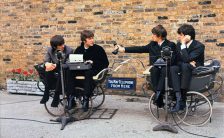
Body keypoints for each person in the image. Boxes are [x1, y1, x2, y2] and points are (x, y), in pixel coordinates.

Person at [115, 25, 177, 108]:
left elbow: (173, 59)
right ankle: (158, 94)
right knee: (154, 71)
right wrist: (124, 49)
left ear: (159, 36)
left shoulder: (171, 44)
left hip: (166, 68)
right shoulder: (152, 44)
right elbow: (140, 49)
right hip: (155, 68)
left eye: (153, 34)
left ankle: (158, 94)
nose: (152, 36)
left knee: (163, 71)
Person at [66, 30, 109, 111]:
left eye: (92, 38)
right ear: (84, 40)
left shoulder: (98, 49)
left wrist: (93, 62)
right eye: (90, 38)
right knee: (69, 71)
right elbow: (74, 61)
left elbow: (105, 63)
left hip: (94, 70)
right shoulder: (79, 49)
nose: (92, 40)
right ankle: (70, 98)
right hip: (80, 69)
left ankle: (86, 99)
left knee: (88, 72)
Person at [170, 24, 205, 112]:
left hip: (195, 71)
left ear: (187, 36)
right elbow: (178, 60)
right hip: (183, 68)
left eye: (180, 35)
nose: (178, 37)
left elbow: (186, 58)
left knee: (185, 66)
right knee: (173, 68)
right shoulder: (178, 45)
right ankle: (178, 98)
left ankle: (183, 98)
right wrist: (188, 61)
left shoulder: (199, 46)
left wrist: (183, 45)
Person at [40, 35, 74, 107]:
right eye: (61, 45)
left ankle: (56, 95)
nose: (63, 45)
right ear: (55, 46)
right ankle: (46, 93)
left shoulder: (69, 50)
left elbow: (68, 63)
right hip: (54, 67)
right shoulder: (50, 50)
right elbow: (46, 60)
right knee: (47, 70)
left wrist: (56, 65)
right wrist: (47, 64)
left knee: (62, 72)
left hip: (64, 68)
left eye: (63, 43)